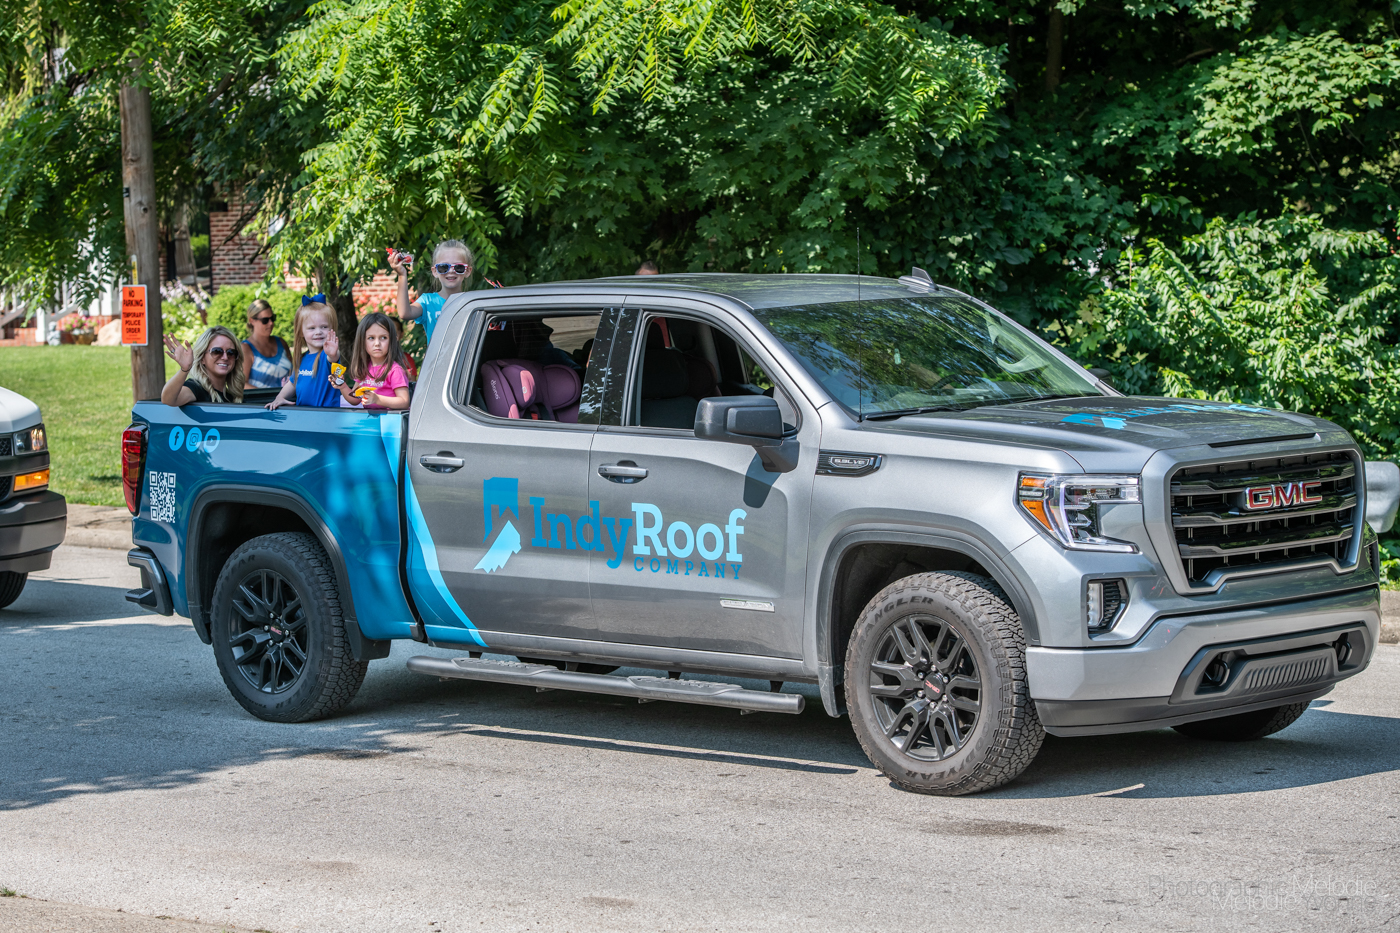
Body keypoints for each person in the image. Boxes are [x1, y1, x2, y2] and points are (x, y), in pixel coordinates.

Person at [265, 296, 342, 410]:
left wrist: (333, 354)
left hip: (326, 417)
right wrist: (280, 397)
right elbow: (292, 383)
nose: (318, 332)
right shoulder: (301, 359)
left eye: (324, 327)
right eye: (312, 328)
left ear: (332, 329)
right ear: (301, 331)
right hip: (303, 416)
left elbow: (333, 358)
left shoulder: (327, 355)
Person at [392, 240, 473, 343]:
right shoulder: (428, 301)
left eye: (459, 267)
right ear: (435, 271)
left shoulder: (473, 301)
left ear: (468, 271)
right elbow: (404, 313)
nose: (451, 271)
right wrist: (402, 275)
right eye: (443, 267)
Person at [337, 312, 411, 411]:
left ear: (392, 341)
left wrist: (377, 399)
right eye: (371, 338)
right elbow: (355, 399)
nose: (377, 343)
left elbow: (404, 402)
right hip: (370, 419)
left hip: (391, 419)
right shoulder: (364, 368)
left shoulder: (395, 370)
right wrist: (342, 386)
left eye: (383, 338)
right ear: (362, 341)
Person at [161, 326, 246, 406]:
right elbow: (168, 399)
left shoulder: (232, 397)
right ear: (202, 358)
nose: (225, 357)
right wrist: (184, 369)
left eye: (231, 352)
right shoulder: (196, 388)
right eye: (217, 351)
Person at [240, 299, 292, 388]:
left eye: (272, 318)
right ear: (252, 321)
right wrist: (268, 395)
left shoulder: (281, 342)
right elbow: (241, 384)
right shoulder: (245, 348)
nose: (271, 323)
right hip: (261, 397)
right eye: (265, 320)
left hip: (287, 397)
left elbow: (294, 373)